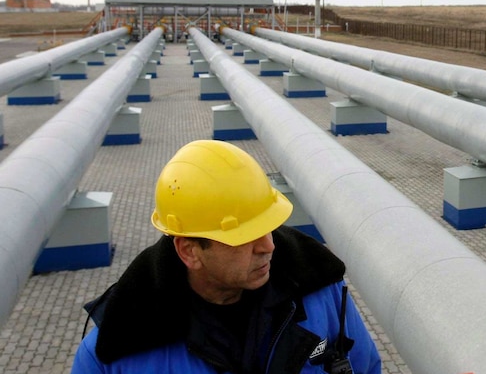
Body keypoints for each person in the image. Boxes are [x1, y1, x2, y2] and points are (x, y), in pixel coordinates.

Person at [71, 139, 381, 374]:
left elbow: (366, 366)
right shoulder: (116, 352)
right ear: (190, 251)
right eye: (243, 237)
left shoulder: (322, 292)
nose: (268, 246)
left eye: (268, 227)